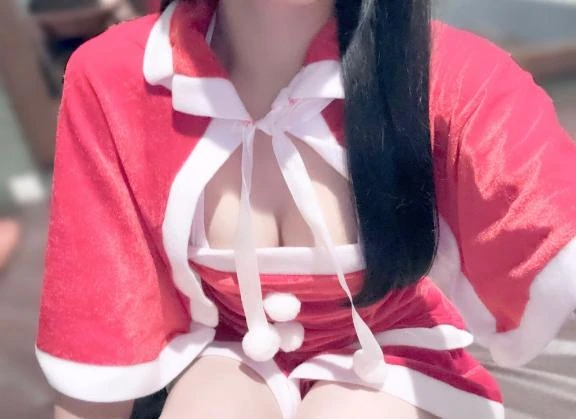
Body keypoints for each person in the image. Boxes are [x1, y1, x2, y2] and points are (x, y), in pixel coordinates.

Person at [36, 0, 576, 418]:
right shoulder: (114, 79)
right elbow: (96, 324)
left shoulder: (443, 74)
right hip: (229, 350)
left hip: (396, 349)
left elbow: (548, 217)